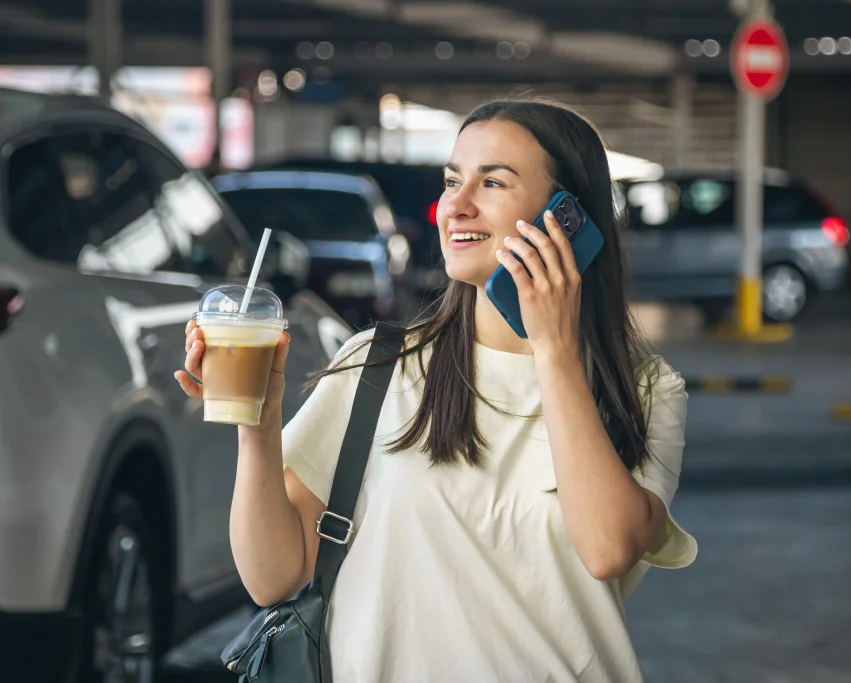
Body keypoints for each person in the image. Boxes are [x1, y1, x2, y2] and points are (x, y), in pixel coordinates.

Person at [175, 97, 697, 682]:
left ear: (566, 217)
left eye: (492, 182)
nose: (457, 205)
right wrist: (258, 422)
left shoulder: (645, 391)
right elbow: (273, 578)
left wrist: (553, 348)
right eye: (453, 180)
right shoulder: (379, 366)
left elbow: (606, 549)